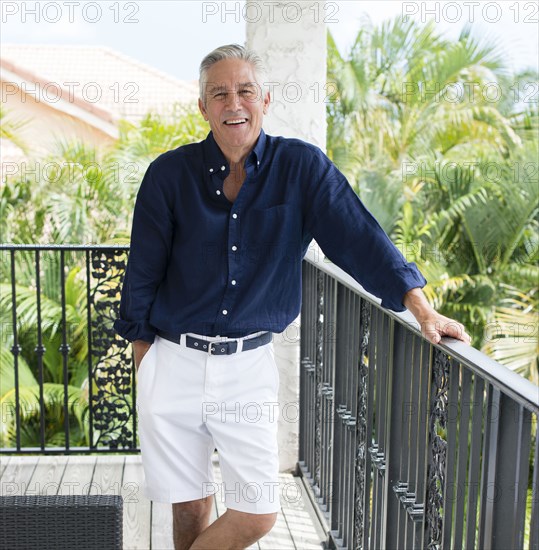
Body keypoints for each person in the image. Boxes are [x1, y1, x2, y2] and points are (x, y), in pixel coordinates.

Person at [114, 44, 470, 549]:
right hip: (171, 359)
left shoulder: (302, 168)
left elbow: (359, 237)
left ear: (265, 99)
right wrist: (145, 358)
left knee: (256, 513)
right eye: (219, 93)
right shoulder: (169, 176)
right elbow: (143, 271)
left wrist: (420, 306)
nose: (233, 103)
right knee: (189, 506)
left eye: (244, 91)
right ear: (203, 107)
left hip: (247, 367)